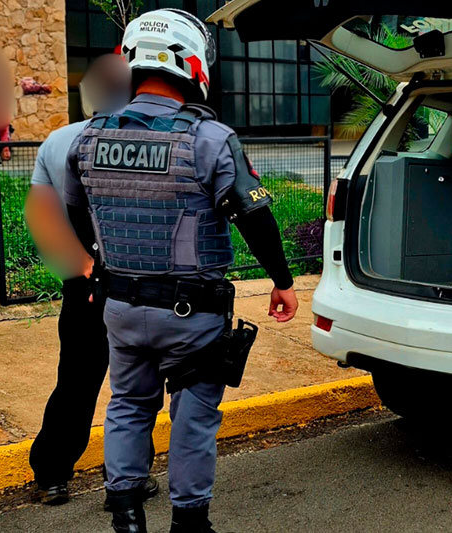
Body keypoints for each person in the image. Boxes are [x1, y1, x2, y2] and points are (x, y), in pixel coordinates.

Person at [63, 9, 298, 533]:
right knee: (192, 421)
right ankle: (189, 523)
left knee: (126, 405)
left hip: (120, 308)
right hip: (191, 315)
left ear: (132, 61)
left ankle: (126, 517)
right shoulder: (210, 139)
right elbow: (253, 214)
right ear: (192, 63)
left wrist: (94, 266)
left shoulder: (90, 137)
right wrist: (283, 282)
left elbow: (76, 211)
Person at [25, 54, 161, 509]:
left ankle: (52, 475)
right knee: (137, 383)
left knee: (77, 378)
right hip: (136, 279)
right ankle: (130, 475)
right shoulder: (145, 140)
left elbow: (43, 217)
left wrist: (79, 265)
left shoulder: (56, 142)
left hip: (82, 283)